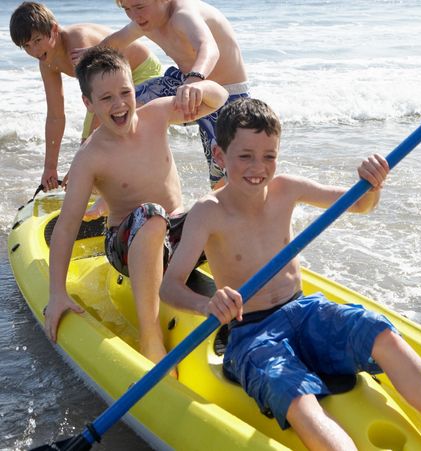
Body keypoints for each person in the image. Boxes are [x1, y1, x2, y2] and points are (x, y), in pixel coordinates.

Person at [160, 98, 421, 450]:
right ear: (219, 154)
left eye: (269, 156)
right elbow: (170, 287)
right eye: (245, 156)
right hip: (252, 332)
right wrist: (209, 303)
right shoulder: (208, 212)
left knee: (380, 331)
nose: (259, 168)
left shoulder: (286, 189)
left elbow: (358, 204)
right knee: (294, 394)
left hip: (304, 311)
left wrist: (373, 183)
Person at [44, 46, 228, 368]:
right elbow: (67, 225)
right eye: (106, 98)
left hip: (176, 241)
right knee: (152, 214)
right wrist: (57, 292)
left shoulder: (156, 115)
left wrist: (198, 88)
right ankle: (150, 334)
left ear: (134, 88)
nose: (119, 104)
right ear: (89, 104)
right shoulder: (91, 156)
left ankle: (252, 299)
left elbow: (220, 98)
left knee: (219, 203)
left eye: (125, 92)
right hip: (128, 245)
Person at [73, 0, 250, 189]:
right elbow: (117, 41)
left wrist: (194, 79)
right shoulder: (147, 19)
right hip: (184, 85)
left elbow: (209, 48)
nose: (134, 16)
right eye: (127, 10)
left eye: (139, 7)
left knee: (225, 177)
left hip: (227, 97)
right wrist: (93, 52)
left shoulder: (183, 14)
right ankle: (108, 176)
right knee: (124, 103)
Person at [9, 2, 163, 192]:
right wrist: (50, 168)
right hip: (109, 88)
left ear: (54, 29)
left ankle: (135, 189)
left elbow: (102, 105)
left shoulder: (77, 44)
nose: (34, 51)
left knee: (107, 137)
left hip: (141, 71)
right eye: (27, 46)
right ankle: (101, 193)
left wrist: (80, 164)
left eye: (38, 40)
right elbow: (55, 116)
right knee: (90, 146)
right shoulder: (46, 61)